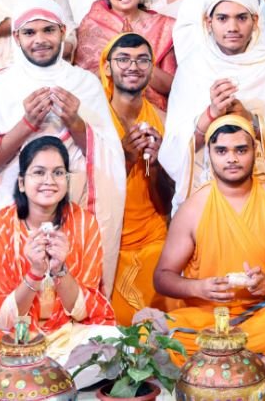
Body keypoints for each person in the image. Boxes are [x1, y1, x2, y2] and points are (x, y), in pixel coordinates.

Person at [0, 0, 125, 296]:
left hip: (73, 205)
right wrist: (27, 123)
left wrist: (75, 122)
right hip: (13, 207)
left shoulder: (85, 83)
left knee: (71, 293)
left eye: (48, 30)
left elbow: (108, 157)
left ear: (63, 32)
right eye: (29, 32)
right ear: (16, 37)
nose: (40, 40)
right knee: (14, 295)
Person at [0, 136, 117, 395]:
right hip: (15, 343)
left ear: (66, 180)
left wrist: (60, 270)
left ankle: (26, 386)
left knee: (116, 344)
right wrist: (34, 274)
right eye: (39, 172)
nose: (49, 180)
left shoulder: (84, 224)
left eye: (58, 173)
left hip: (68, 338)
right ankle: (51, 383)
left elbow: (85, 311)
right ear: (22, 183)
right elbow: (1, 319)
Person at [153, 116, 265, 364]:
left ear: (255, 151)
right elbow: (162, 277)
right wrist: (199, 288)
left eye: (241, 150)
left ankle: (220, 355)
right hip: (208, 319)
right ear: (209, 154)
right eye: (221, 151)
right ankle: (258, 357)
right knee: (147, 332)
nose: (232, 159)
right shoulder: (193, 208)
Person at [160, 0, 265, 213]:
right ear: (208, 22)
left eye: (242, 18)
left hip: (262, 200)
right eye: (222, 18)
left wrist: (252, 121)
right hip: (204, 199)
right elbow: (171, 151)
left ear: (255, 21)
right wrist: (210, 116)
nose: (233, 27)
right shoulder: (192, 69)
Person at [98, 32, 172, 323]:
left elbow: (166, 203)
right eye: (123, 59)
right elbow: (87, 191)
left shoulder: (163, 120)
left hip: (153, 236)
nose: (133, 67)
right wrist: (126, 158)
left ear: (151, 70)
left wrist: (157, 165)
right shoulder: (95, 121)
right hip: (108, 237)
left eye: (142, 60)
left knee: (165, 321)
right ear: (107, 67)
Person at [75, 0, 176, 109]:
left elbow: (173, 86)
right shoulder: (93, 24)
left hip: (155, 113)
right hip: (106, 110)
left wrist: (137, 59)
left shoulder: (163, 27)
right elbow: (86, 84)